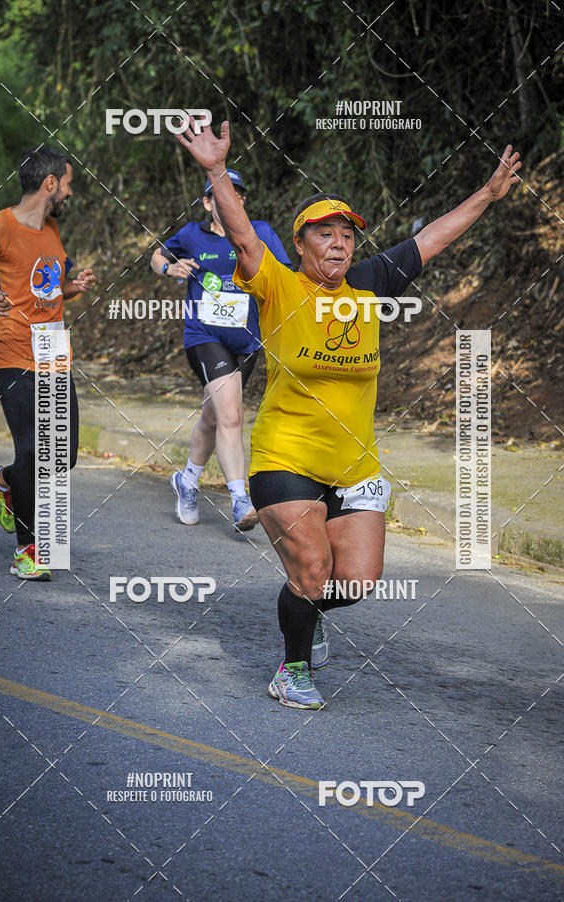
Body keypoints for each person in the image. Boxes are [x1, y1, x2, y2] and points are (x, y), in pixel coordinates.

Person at [176, 120, 522, 709]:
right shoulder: (278, 286)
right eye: (325, 234)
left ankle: (307, 616)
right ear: (302, 243)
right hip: (286, 458)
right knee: (311, 567)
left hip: (355, 466)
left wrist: (487, 195)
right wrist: (215, 169)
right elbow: (241, 238)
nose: (339, 243)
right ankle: (293, 668)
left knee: (356, 581)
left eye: (347, 235)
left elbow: (433, 239)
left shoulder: (367, 285)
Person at [0, 146, 95, 580]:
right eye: (69, 183)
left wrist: (75, 285)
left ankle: (4, 480)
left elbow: (48, 287)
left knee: (65, 454)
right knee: (34, 449)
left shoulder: (52, 230)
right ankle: (28, 550)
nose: (71, 193)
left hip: (53, 350)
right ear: (50, 183)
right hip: (10, 348)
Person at [150, 169, 292, 531]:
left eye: (239, 194)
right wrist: (170, 268)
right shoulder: (191, 235)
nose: (234, 199)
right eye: (224, 193)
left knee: (213, 416)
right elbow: (157, 256)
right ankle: (240, 499)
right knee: (231, 415)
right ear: (208, 202)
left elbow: (285, 276)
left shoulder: (260, 233)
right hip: (204, 337)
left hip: (246, 341)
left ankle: (188, 479)